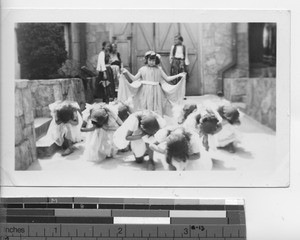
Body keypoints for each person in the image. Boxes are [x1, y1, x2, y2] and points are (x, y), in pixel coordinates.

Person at [118, 51, 186, 116]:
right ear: (147, 60)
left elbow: (167, 78)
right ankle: (146, 119)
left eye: (153, 60)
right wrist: (127, 72)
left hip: (156, 91)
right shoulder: (142, 69)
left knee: (155, 105)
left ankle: (155, 120)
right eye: (150, 60)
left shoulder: (159, 69)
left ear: (156, 61)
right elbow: (134, 78)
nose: (151, 62)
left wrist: (178, 75)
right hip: (145, 91)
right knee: (145, 105)